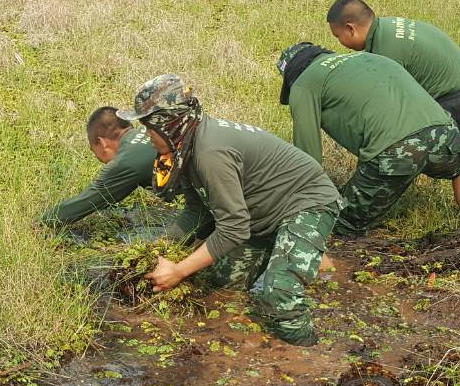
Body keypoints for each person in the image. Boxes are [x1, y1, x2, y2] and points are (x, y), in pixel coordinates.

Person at [124, 74, 344, 347]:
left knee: (279, 294)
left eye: (148, 128)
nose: (147, 136)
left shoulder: (209, 153)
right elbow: (197, 212)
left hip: (306, 203)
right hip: (259, 213)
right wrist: (159, 249)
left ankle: (309, 357)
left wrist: (179, 270)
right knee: (222, 285)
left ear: (168, 124)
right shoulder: (188, 145)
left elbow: (233, 228)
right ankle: (304, 258)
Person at [278, 44, 460, 238]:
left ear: (291, 76)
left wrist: (298, 208)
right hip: (443, 130)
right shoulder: (369, 57)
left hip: (396, 150)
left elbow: (308, 161)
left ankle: (342, 263)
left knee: (340, 223)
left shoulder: (304, 85)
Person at [326, 0, 460, 129]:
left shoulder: (385, 51)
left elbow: (389, 106)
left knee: (419, 146)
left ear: (350, 29)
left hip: (457, 98)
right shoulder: (386, 26)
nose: (339, 42)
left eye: (338, 36)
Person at [40, 106, 160, 229]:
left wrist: (41, 223)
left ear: (102, 143)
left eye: (94, 151)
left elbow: (88, 201)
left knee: (174, 237)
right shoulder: (146, 130)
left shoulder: (125, 162)